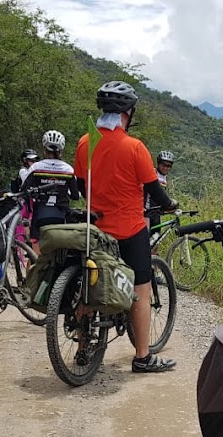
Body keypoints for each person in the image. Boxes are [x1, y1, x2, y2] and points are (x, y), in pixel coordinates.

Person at [73, 80, 176, 373]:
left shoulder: (85, 143)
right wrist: (169, 205)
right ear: (128, 113)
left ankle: (82, 348)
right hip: (129, 230)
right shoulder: (135, 147)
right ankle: (143, 356)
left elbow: (80, 184)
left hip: (95, 229)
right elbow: (154, 190)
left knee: (90, 284)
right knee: (141, 292)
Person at [20, 130, 81, 253]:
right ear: (61, 150)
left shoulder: (36, 167)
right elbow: (75, 196)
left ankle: (35, 267)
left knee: (36, 255)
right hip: (61, 216)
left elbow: (23, 191)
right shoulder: (68, 169)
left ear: (44, 148)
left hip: (40, 214)